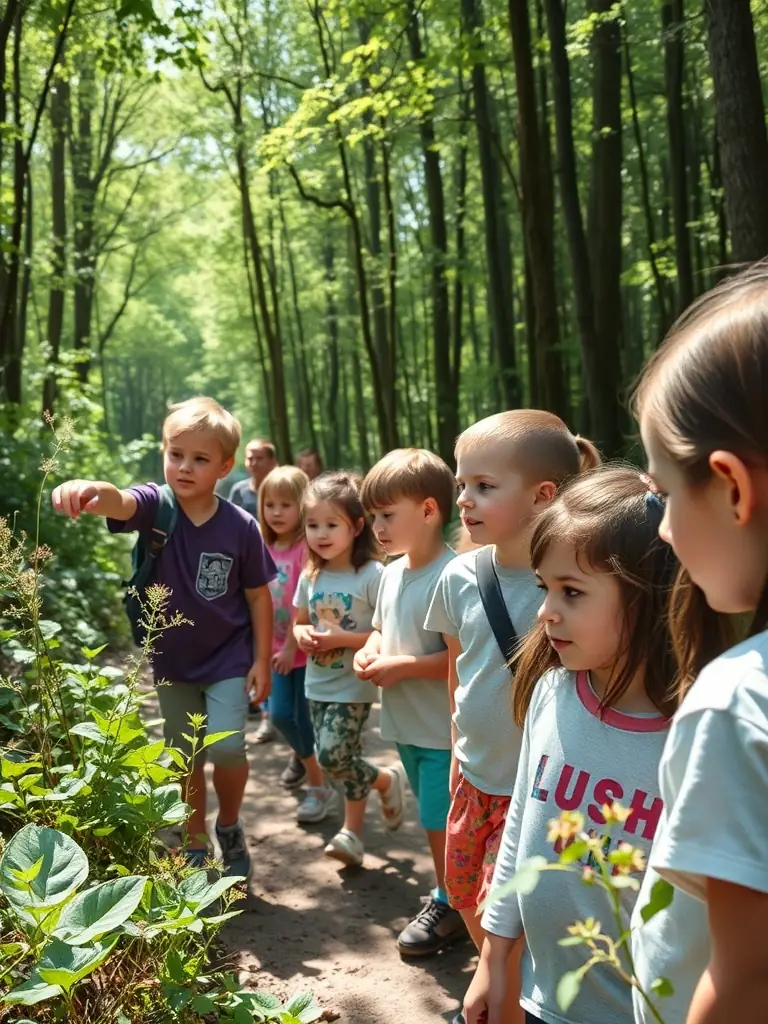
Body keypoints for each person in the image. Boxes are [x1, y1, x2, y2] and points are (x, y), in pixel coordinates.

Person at [463, 467, 708, 1024]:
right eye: (544, 587)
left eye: (572, 592)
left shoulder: (696, 737)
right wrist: (493, 959)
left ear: (652, 596)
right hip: (542, 999)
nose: (547, 611)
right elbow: (522, 827)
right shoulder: (552, 691)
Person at [425, 409, 600, 1024]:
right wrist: (454, 754)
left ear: (543, 495)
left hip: (542, 792)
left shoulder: (576, 582)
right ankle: (501, 986)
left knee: (517, 910)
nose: (465, 499)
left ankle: (511, 997)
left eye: (484, 486)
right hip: (475, 778)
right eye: (461, 483)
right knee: (465, 893)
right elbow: (458, 673)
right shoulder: (459, 577)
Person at [51, 397, 276, 878]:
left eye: (200, 458)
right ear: (163, 453)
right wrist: (90, 488)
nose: (185, 467)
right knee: (185, 754)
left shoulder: (241, 526)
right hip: (172, 661)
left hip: (230, 657)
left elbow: (258, 596)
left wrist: (261, 659)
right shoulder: (157, 506)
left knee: (228, 748)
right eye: (176, 455)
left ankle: (230, 825)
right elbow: (120, 500)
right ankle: (194, 838)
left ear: (225, 466)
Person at [631, 265, 768, 1024]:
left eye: (662, 495)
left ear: (732, 488)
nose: (660, 527)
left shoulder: (740, 702)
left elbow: (749, 982)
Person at [355, 449, 465, 957]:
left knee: (439, 821)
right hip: (406, 725)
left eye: (386, 515)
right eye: (373, 516)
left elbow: (460, 659)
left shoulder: (454, 575)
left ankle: (450, 902)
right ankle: (456, 894)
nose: (376, 526)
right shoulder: (391, 573)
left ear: (428, 510)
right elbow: (379, 629)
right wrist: (370, 653)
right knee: (433, 818)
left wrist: (401, 667)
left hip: (443, 727)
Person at [293, 471, 406, 867]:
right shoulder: (312, 576)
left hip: (353, 685)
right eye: (312, 525)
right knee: (338, 756)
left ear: (357, 526)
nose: (320, 534)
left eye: (331, 524)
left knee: (333, 756)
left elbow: (387, 634)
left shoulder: (372, 575)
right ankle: (353, 833)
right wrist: (303, 633)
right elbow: (299, 621)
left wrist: (342, 640)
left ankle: (384, 781)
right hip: (316, 683)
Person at [259, 465, 334, 822]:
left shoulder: (307, 549)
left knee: (298, 719)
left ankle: (318, 786)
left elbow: (300, 605)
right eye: (270, 504)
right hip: (272, 650)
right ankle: (306, 759)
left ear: (302, 507)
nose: (276, 512)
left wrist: (291, 646)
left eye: (285, 505)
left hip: (302, 651)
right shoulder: (263, 546)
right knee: (278, 716)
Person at [229, 438, 278, 520]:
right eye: (250, 459)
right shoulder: (239, 490)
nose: (254, 463)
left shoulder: (282, 489)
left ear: (272, 461)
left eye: (259, 458)